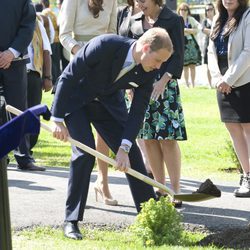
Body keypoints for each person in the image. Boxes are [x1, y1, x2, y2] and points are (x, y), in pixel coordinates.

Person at [51, 27, 173, 240]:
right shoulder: (104, 45)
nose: (159, 66)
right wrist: (57, 119)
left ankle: (150, 218)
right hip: (76, 101)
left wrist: (124, 147)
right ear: (145, 48)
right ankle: (71, 221)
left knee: (133, 157)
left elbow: (137, 111)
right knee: (84, 154)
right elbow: (68, 76)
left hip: (108, 106)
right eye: (158, 60)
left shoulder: (150, 70)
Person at [126, 0, 187, 207]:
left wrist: (163, 80)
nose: (139, 4)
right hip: (138, 89)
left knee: (167, 139)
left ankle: (175, 190)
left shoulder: (173, 19)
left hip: (165, 87)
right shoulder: (133, 21)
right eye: (137, 1)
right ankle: (160, 189)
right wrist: (128, 86)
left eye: (143, 1)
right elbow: (129, 54)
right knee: (148, 139)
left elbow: (178, 55)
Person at [59, 0, 118, 206]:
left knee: (106, 130)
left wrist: (104, 60)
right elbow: (64, 35)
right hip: (79, 66)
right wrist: (82, 54)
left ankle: (103, 182)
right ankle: (77, 196)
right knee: (82, 146)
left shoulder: (112, 2)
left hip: (103, 70)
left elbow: (112, 34)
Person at [208, 0, 250, 197]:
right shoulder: (218, 18)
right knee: (233, 129)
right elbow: (210, 52)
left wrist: (229, 79)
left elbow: (248, 52)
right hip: (222, 84)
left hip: (243, 80)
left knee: (248, 129)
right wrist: (218, 79)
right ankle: (246, 175)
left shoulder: (248, 16)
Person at [0, 0, 45, 171]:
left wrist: (11, 52)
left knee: (18, 110)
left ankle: (24, 157)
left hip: (16, 61)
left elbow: (28, 26)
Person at [117, 0, 153, 178]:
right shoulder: (122, 12)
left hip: (144, 73)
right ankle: (102, 181)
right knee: (127, 121)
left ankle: (148, 164)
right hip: (123, 78)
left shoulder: (150, 11)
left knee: (142, 119)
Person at [26, 17, 53, 157]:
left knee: (33, 113)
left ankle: (28, 152)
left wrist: (47, 77)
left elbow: (46, 51)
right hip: (10, 73)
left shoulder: (36, 23)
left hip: (33, 74)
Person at [178, 2, 202, 88]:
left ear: (188, 11)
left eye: (185, 9)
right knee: (185, 66)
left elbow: (197, 30)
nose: (183, 11)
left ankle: (193, 84)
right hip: (182, 45)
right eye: (182, 9)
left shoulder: (191, 19)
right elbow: (177, 32)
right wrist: (187, 31)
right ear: (179, 10)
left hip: (192, 45)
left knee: (192, 66)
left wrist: (185, 30)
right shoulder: (177, 19)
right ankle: (187, 84)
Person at [41, 0, 62, 85]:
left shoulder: (44, 13)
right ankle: (58, 79)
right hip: (57, 39)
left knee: (52, 62)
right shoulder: (53, 12)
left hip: (50, 40)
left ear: (42, 3)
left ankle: (53, 80)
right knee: (56, 62)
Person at [201, 3, 216, 88]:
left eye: (210, 9)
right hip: (207, 45)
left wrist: (210, 31)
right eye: (207, 10)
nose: (209, 11)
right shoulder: (205, 21)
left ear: (214, 9)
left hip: (217, 45)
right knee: (208, 66)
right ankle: (210, 84)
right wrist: (215, 31)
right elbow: (203, 30)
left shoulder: (218, 19)